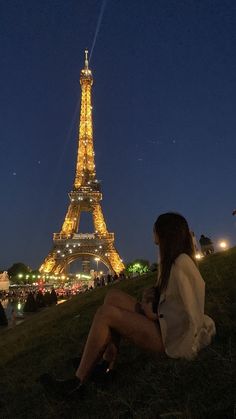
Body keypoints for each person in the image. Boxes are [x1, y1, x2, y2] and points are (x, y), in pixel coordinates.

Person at [40, 212, 216, 400]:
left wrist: (151, 313)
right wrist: (153, 294)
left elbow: (191, 310)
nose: (152, 232)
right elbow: (172, 299)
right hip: (164, 324)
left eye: (154, 228)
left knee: (105, 313)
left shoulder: (182, 263)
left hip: (171, 337)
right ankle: (107, 365)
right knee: (113, 296)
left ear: (164, 232)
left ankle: (77, 383)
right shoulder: (169, 261)